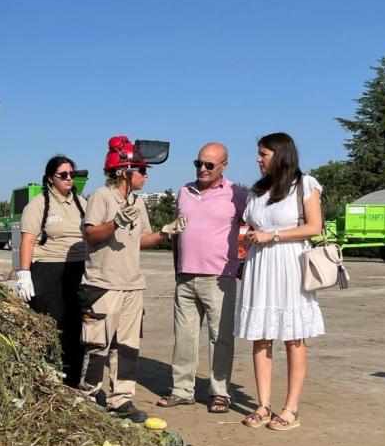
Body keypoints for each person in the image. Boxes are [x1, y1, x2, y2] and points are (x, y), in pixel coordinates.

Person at [78, 135, 186, 423]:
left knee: (127, 347)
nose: (146, 175)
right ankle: (89, 396)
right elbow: (90, 235)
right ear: (124, 172)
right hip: (103, 285)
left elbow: (141, 240)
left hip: (132, 284)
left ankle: (121, 399)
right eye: (142, 170)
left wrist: (166, 231)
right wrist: (116, 222)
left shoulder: (137, 202)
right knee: (98, 345)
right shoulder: (101, 197)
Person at [235, 132, 325, 431]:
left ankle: (291, 408)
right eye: (259, 154)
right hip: (260, 264)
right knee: (261, 335)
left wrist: (273, 235)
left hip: (289, 263)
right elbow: (248, 223)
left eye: (264, 154)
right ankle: (262, 405)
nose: (258, 160)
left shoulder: (305, 184)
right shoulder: (257, 190)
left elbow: (315, 227)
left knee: (293, 336)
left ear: (281, 154)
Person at [158, 142, 247, 414]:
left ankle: (220, 393)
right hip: (185, 276)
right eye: (199, 163)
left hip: (219, 278)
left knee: (220, 338)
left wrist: (242, 262)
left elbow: (253, 227)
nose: (203, 169)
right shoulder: (184, 191)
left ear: (224, 165)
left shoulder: (237, 193)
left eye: (209, 165)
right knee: (184, 336)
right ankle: (182, 390)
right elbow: (176, 232)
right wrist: (177, 267)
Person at [16, 155, 88, 386]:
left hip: (77, 269)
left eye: (72, 175)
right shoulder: (38, 205)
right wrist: (24, 273)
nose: (69, 179)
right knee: (51, 325)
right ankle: (47, 380)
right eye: (63, 175)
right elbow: (28, 241)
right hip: (48, 269)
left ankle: (73, 383)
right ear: (50, 178)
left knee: (76, 328)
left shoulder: (82, 203)